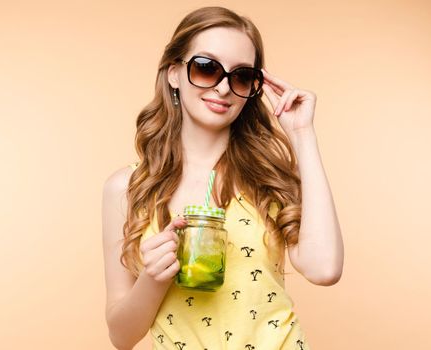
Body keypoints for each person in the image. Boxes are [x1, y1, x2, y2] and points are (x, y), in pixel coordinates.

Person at [102, 6, 344, 350]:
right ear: (174, 73)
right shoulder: (127, 189)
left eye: (242, 76)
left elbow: (325, 269)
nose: (224, 87)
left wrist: (302, 134)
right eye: (206, 68)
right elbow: (121, 337)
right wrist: (153, 279)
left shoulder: (267, 177)